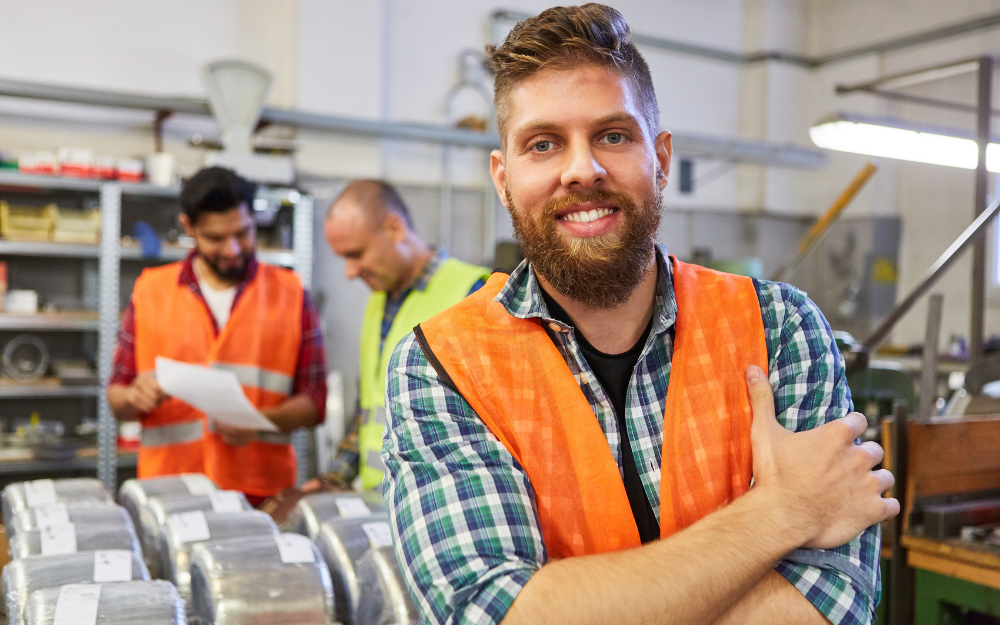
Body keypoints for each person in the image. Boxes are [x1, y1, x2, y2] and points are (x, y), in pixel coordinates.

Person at [382, 6, 897, 625]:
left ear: (661, 158)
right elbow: (493, 613)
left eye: (613, 136)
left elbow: (830, 604)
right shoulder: (443, 365)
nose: (582, 169)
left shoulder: (780, 328)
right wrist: (782, 512)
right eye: (543, 144)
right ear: (503, 177)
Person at [107, 166, 327, 505]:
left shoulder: (291, 293)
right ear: (188, 227)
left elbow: (314, 403)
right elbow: (116, 397)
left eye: (243, 233)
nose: (233, 249)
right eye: (215, 238)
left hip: (261, 495)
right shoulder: (150, 290)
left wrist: (260, 423)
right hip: (170, 493)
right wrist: (133, 398)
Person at [315, 180, 491, 492]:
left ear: (395, 228)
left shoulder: (471, 296)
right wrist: (334, 478)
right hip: (378, 502)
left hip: (439, 505)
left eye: (356, 254)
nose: (350, 272)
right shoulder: (379, 301)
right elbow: (369, 408)